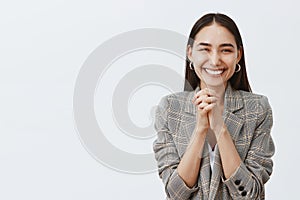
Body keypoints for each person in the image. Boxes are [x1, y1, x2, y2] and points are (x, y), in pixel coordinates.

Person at [153, 13, 275, 200]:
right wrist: (201, 129)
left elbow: (249, 194)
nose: (215, 60)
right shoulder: (170, 109)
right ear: (190, 53)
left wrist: (219, 127)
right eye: (205, 49)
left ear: (238, 55)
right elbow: (176, 193)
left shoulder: (258, 109)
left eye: (225, 50)